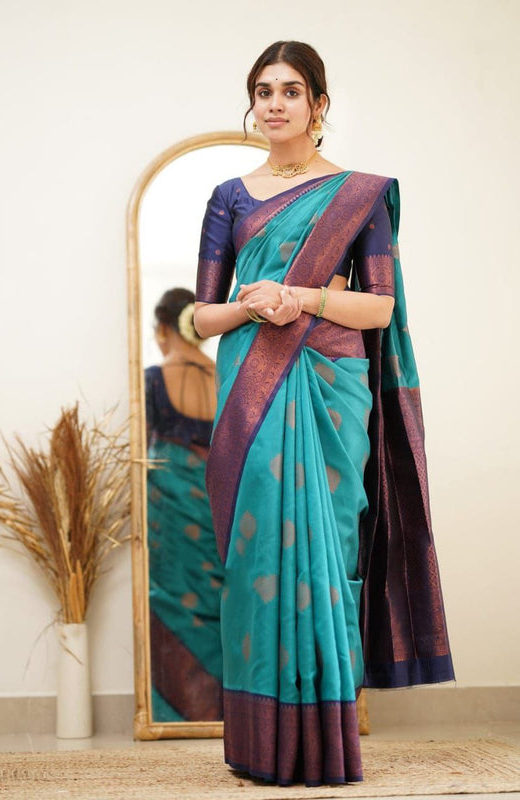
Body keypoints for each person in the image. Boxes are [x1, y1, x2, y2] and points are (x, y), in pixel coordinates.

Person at [194, 41, 454, 786]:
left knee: (328, 553)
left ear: (318, 105)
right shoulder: (229, 198)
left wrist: (300, 296)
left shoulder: (358, 196)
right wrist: (253, 304)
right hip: (251, 390)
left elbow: (379, 307)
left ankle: (323, 745)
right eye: (263, 91)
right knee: (256, 558)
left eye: (291, 91)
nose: (274, 104)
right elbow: (202, 317)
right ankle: (261, 746)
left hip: (330, 385)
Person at [145, 287, 223, 722]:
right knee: (219, 604)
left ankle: (177, 716)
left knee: (173, 602)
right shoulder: (228, 378)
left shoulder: (153, 381)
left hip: (171, 518)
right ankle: (227, 711)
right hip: (220, 511)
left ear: (162, 329)